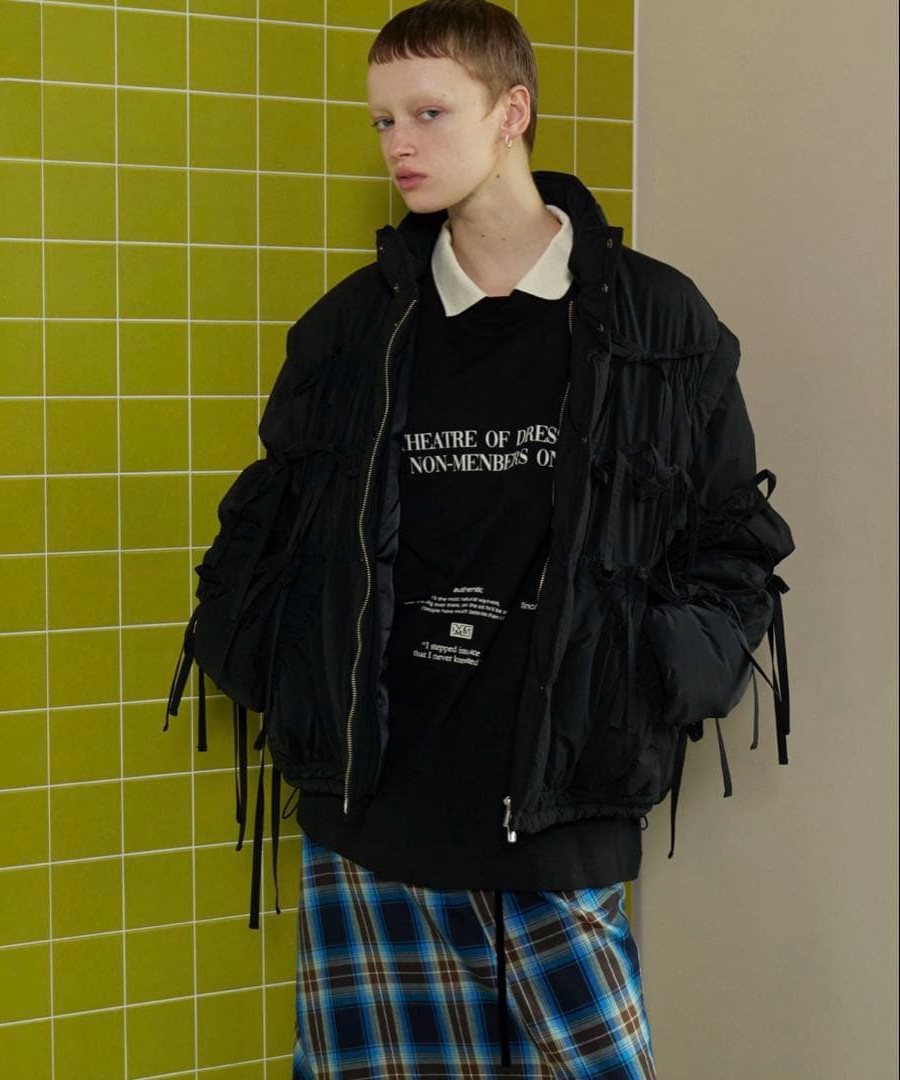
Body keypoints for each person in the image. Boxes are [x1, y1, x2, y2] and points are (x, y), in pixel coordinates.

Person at [167, 1, 794, 1076]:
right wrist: (275, 662)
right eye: (382, 121)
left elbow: (735, 538)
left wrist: (651, 671)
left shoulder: (656, 319)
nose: (398, 144)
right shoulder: (351, 330)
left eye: (427, 112)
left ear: (513, 111)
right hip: (374, 816)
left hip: (557, 816)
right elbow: (265, 527)